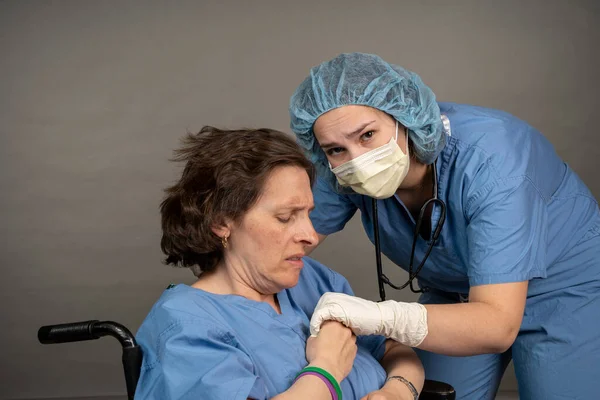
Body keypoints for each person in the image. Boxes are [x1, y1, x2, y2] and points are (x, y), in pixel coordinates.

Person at [288, 52, 600, 400]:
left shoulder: (494, 163)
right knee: (432, 394)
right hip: (455, 293)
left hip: (562, 288)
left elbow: (496, 326)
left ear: (404, 119)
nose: (356, 161)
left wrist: (378, 317)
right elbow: (283, 241)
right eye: (334, 149)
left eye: (368, 135)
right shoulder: (341, 172)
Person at [134, 126, 425, 400]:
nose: (311, 236)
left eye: (308, 213)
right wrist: (326, 369)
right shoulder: (186, 327)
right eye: (286, 217)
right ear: (221, 222)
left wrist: (396, 392)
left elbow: (392, 350)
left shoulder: (314, 281)